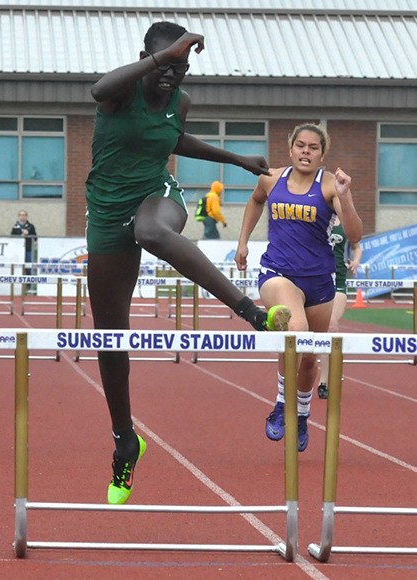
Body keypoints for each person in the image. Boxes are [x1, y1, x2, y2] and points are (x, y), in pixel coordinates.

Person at [85, 21, 291, 505]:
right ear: (147, 57)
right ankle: (124, 442)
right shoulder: (122, 92)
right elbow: (96, 89)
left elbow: (173, 140)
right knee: (110, 337)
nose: (172, 75)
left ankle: (252, 313)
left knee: (151, 230)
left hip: (157, 196)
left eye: (181, 67)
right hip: (107, 210)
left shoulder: (180, 101)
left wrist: (235, 159)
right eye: (166, 64)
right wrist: (163, 57)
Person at [235, 122, 362, 452]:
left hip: (319, 281)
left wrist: (346, 199)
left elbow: (354, 235)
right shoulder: (272, 178)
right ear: (290, 149)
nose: (306, 152)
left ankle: (302, 414)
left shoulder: (331, 185)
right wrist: (243, 242)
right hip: (278, 273)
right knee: (296, 330)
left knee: (308, 359)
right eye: (301, 146)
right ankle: (281, 404)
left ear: (322, 154)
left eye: (313, 147)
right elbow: (255, 201)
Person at [317, 215, 362, 398]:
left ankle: (324, 381)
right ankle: (303, 371)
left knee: (331, 327)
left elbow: (356, 246)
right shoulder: (318, 216)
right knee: (309, 330)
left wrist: (356, 260)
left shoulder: (345, 221)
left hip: (339, 278)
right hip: (317, 276)